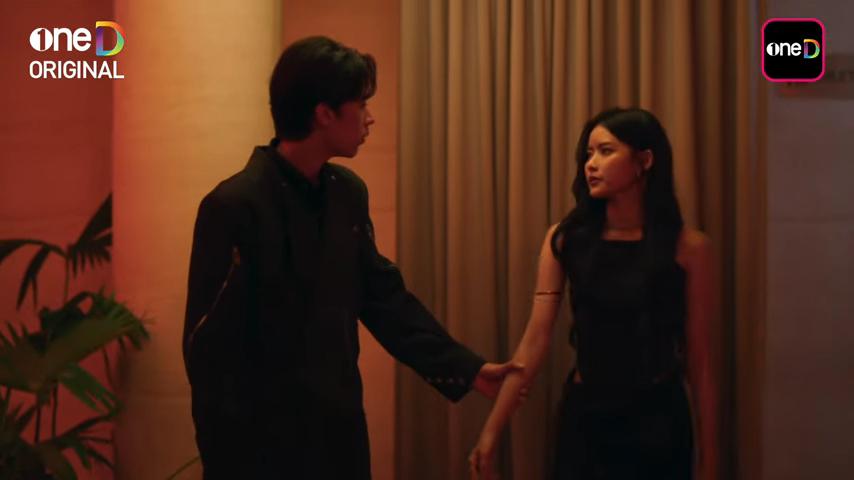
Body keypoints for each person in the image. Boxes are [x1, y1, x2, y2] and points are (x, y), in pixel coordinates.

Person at [182, 36, 520, 479]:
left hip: (338, 434)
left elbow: (383, 298)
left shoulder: (347, 193)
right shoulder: (235, 205)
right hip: (261, 447)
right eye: (361, 104)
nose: (370, 117)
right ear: (324, 113)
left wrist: (467, 369)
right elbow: (209, 353)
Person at [468, 108, 719, 479]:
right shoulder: (567, 239)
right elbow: (534, 341)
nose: (591, 164)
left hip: (657, 420)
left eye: (606, 151)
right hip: (587, 419)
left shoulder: (688, 248)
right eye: (588, 154)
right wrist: (490, 433)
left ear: (644, 161)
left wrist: (709, 458)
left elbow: (700, 359)